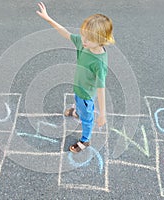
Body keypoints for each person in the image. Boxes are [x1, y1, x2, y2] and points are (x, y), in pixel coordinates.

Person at [36, 2, 115, 153]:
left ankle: (85, 140)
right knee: (78, 103)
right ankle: (77, 112)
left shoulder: (99, 63)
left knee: (87, 118)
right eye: (84, 35)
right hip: (78, 87)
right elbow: (65, 33)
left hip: (86, 95)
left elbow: (100, 89)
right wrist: (48, 19)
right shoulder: (85, 43)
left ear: (102, 40)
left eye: (88, 39)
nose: (83, 40)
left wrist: (103, 114)